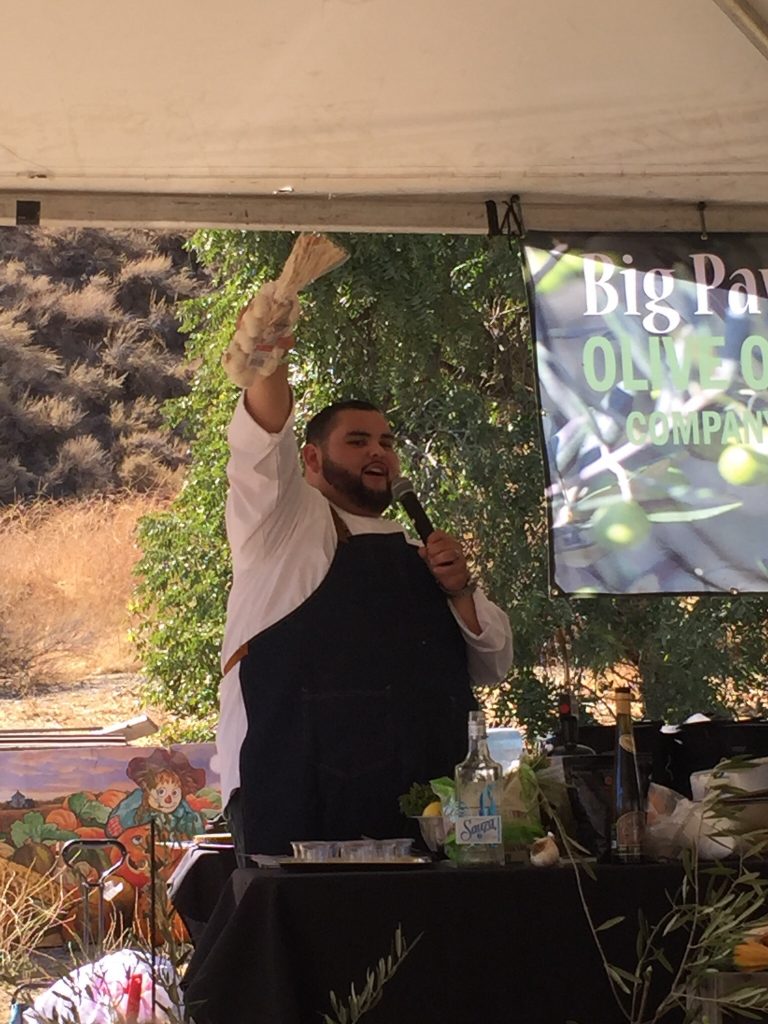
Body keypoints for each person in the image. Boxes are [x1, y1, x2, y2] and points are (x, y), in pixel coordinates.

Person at [217, 330, 513, 859]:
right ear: (309, 459)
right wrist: (270, 354)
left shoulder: (420, 553)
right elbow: (261, 439)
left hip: (423, 815)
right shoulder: (282, 522)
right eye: (357, 441)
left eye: (387, 443)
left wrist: (460, 588)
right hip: (298, 804)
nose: (378, 452)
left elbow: (494, 665)